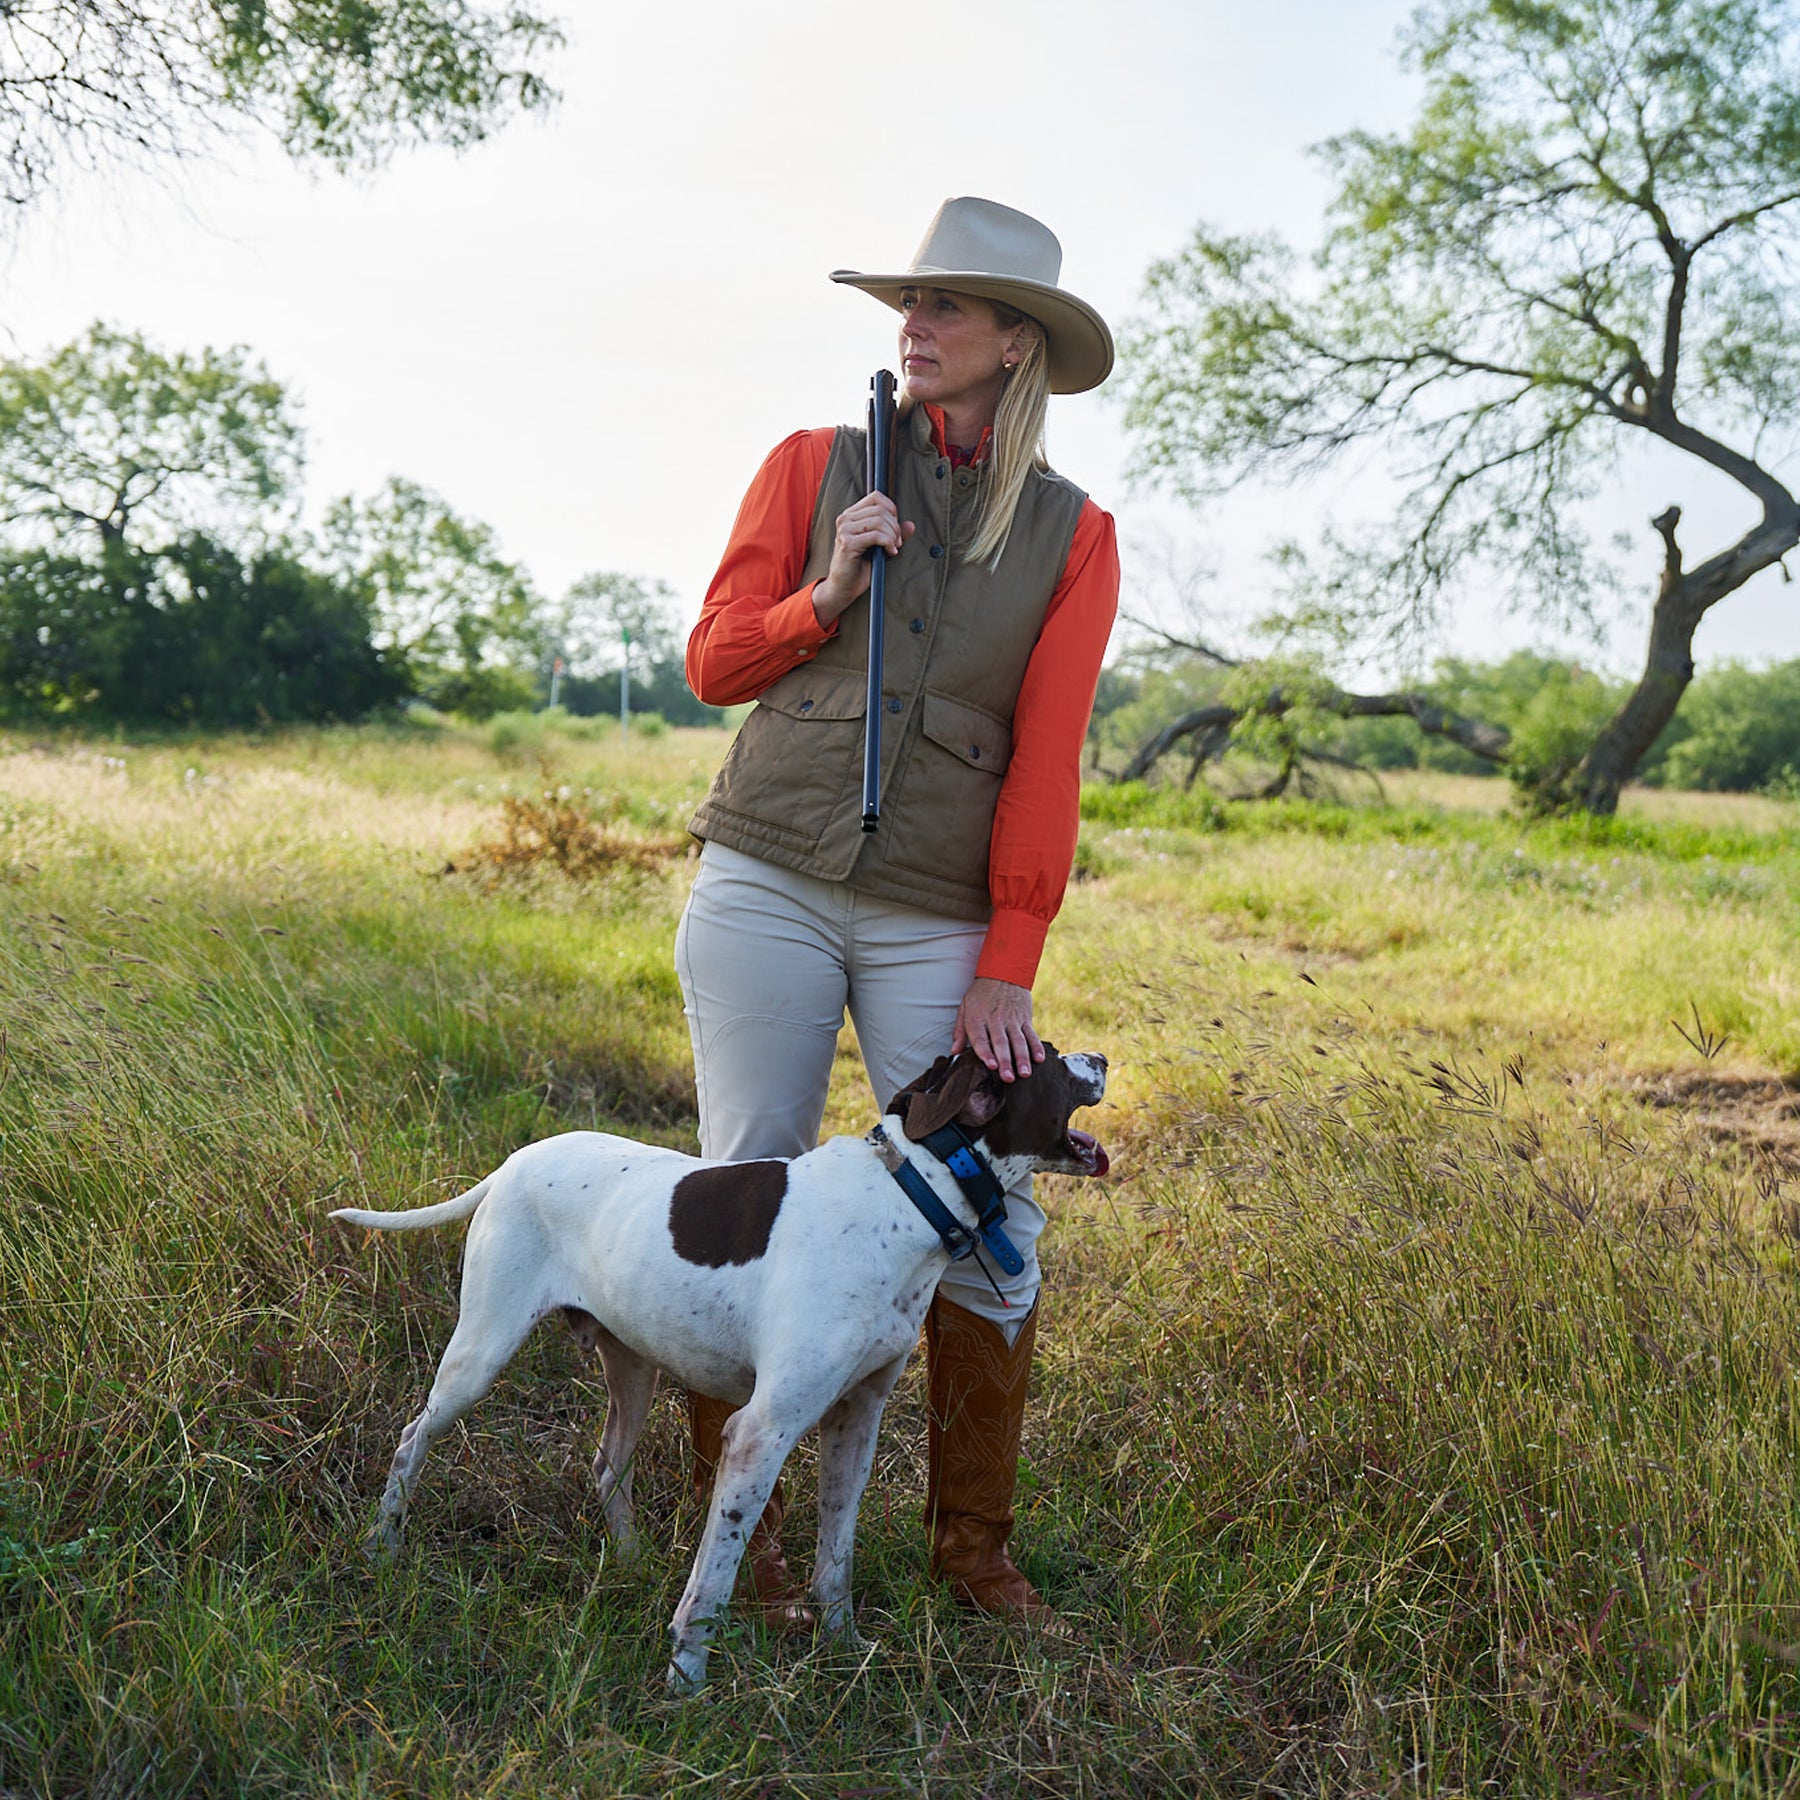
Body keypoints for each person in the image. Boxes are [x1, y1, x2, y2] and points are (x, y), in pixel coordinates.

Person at [676, 196, 1119, 1628]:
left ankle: (971, 1550)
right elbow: (712, 665)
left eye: (947, 306)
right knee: (747, 1182)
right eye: (907, 304)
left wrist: (1011, 965)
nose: (913, 327)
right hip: (767, 883)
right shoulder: (814, 463)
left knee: (993, 1221)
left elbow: (1047, 764)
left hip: (938, 912)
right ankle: (732, 1554)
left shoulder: (1074, 534)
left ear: (1015, 343)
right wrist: (824, 589)